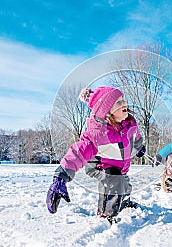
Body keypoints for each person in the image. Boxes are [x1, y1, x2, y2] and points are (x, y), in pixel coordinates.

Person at [46, 86, 145, 223]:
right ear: (107, 112)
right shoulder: (98, 133)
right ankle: (105, 214)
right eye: (118, 102)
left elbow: (135, 135)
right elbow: (78, 151)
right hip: (100, 165)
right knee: (115, 180)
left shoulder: (129, 123)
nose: (124, 104)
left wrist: (139, 147)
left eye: (123, 100)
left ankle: (124, 202)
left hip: (120, 166)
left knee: (125, 184)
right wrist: (60, 177)